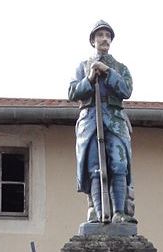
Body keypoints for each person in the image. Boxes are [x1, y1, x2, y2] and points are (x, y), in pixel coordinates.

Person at [69, 20, 135, 223]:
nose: (104, 39)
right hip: (90, 120)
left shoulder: (120, 67)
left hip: (114, 120)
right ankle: (98, 213)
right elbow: (73, 92)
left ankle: (119, 212)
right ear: (93, 40)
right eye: (100, 35)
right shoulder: (82, 67)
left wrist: (107, 72)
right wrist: (89, 78)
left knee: (118, 164)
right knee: (94, 167)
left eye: (108, 35)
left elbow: (126, 90)